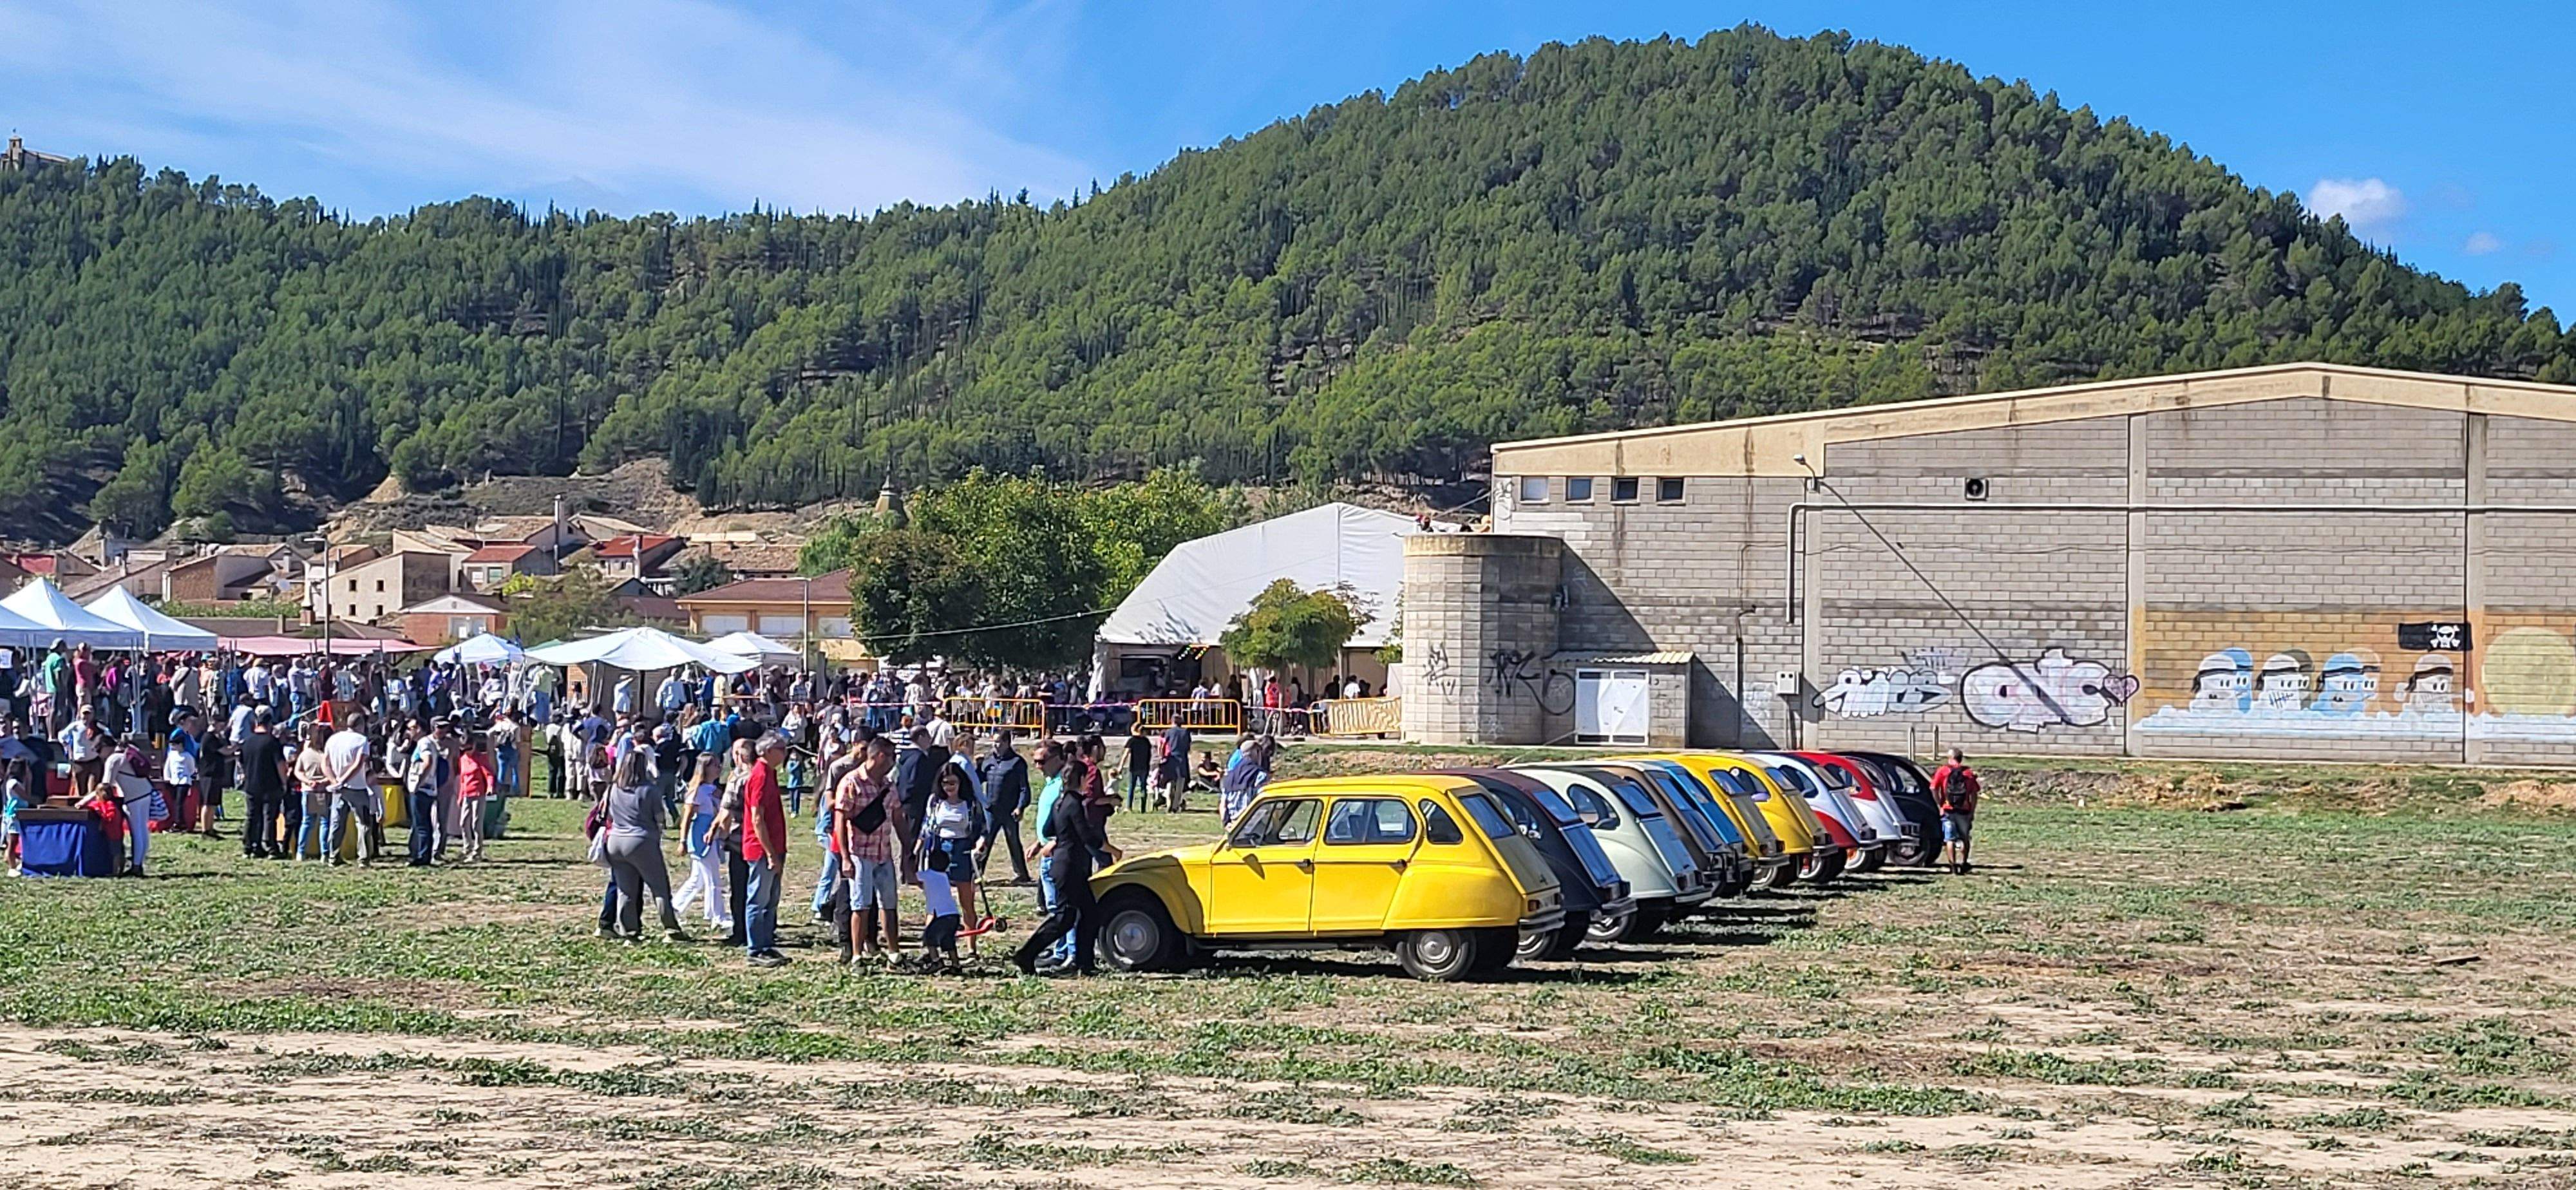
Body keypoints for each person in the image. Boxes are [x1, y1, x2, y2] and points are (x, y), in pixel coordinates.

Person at [1014, 739, 1117, 976]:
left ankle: (1083, 963)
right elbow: (1088, 837)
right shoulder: (1074, 804)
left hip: (1065, 865)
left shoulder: (1061, 802)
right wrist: (1112, 851)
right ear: (1081, 780)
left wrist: (1057, 840)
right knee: (1065, 917)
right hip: (1070, 866)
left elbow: (1050, 828)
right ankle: (1027, 954)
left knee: (1085, 915)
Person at [600, 750, 687, 941]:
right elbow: (659, 819)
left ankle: (628, 931)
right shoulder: (649, 790)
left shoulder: (613, 788)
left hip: (615, 840)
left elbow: (608, 814)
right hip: (641, 840)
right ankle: (671, 929)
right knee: (659, 888)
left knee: (625, 890)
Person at [830, 734, 900, 965]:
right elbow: (840, 820)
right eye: (891, 756)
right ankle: (857, 954)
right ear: (880, 756)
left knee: (889, 904)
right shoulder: (851, 782)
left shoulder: (889, 786)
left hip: (884, 853)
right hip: (860, 852)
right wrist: (845, 858)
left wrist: (908, 848)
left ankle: (893, 952)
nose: (893, 761)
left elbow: (898, 817)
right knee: (860, 904)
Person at [919, 760, 989, 950]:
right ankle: (931, 947)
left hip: (962, 849)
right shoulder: (935, 801)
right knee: (935, 901)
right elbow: (926, 826)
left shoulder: (970, 804)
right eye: (945, 783)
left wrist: (980, 842)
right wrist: (919, 846)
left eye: (953, 783)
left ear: (961, 783)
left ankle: (971, 947)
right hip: (939, 849)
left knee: (967, 901)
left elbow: (982, 828)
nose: (949, 787)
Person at [739, 733, 791, 967]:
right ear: (767, 751)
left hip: (775, 846)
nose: (785, 752)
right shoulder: (759, 775)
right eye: (781, 748)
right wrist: (770, 852)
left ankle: (767, 944)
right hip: (761, 849)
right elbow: (757, 818)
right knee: (758, 899)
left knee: (771, 899)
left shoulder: (770, 773)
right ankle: (755, 948)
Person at [673, 753, 732, 933]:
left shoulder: (714, 789)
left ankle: (674, 908)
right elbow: (687, 818)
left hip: (712, 835)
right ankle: (717, 917)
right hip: (701, 836)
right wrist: (683, 841)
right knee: (713, 878)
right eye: (714, 765)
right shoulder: (696, 791)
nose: (719, 768)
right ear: (705, 768)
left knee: (698, 879)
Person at [976, 730, 1032, 885]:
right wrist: (978, 766)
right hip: (991, 810)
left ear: (1008, 743)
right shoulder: (988, 761)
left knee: (1013, 842)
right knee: (985, 841)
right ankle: (977, 873)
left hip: (1009, 811)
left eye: (999, 742)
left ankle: (1022, 874)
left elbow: (1024, 788)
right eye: (994, 742)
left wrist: (1020, 807)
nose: (996, 745)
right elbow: (978, 780)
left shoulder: (1017, 762)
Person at [99, 735, 158, 876]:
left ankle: (136, 867)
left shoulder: (113, 759)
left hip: (133, 798)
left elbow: (105, 786)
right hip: (146, 792)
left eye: (99, 750)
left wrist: (85, 800)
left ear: (106, 747)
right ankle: (140, 863)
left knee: (136, 832)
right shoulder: (127, 752)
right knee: (143, 830)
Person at [324, 712, 377, 867]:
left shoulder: (333, 739)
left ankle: (333, 856)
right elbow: (358, 764)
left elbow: (325, 763)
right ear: (361, 725)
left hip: (338, 789)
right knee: (363, 824)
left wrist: (334, 780)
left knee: (337, 822)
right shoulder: (362, 740)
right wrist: (343, 780)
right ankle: (364, 858)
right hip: (357, 787)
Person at [236, 709, 291, 859]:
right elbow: (280, 764)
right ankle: (271, 847)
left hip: (251, 784)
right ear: (270, 724)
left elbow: (241, 762)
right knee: (269, 817)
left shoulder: (247, 742)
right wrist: (284, 781)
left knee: (252, 816)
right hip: (270, 785)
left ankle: (250, 847)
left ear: (256, 723)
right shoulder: (272, 742)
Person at [1931, 749, 1981, 874]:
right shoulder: (1968, 773)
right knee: (1964, 838)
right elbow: (1974, 794)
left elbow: (1933, 788)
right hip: (1964, 811)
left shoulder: (1943, 771)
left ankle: (1953, 865)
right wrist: (1972, 811)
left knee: (1950, 839)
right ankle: (1964, 863)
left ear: (1950, 758)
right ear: (1961, 758)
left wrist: (1940, 804)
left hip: (1948, 810)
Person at [292, 722, 334, 860]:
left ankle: (301, 852)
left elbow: (298, 771)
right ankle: (325, 853)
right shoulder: (325, 756)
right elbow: (331, 773)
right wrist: (323, 782)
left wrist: (307, 781)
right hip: (323, 791)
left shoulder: (304, 755)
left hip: (308, 790)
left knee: (307, 822)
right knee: (324, 822)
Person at [456, 730, 495, 863]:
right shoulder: (463, 760)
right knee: (463, 822)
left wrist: (490, 787)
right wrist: (461, 796)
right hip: (467, 794)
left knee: (476, 824)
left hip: (478, 793)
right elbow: (462, 779)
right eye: (464, 749)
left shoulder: (480, 758)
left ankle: (477, 851)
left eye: (469, 748)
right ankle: (467, 847)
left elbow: (489, 774)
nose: (467, 751)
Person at [59, 703, 109, 799]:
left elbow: (109, 735)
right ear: (80, 714)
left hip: (94, 761)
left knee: (93, 789)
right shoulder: (75, 726)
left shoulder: (98, 726)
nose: (86, 716)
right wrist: (66, 744)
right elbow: (61, 736)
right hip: (79, 763)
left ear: (93, 715)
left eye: (89, 714)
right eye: (84, 714)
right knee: (80, 791)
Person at [1122, 729, 1152, 813]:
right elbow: (1150, 754)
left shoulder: (1132, 740)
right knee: (1143, 788)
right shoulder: (1146, 741)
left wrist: (1121, 766)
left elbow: (1126, 754)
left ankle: (1129, 807)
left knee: (1132, 787)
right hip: (1144, 767)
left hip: (1134, 767)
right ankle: (1143, 808)